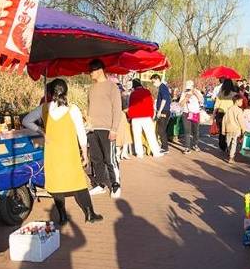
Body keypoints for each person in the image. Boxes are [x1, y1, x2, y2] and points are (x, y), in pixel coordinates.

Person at [22, 79, 103, 224]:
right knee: (78, 182)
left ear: (50, 93)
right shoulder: (72, 109)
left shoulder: (44, 108)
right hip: (69, 152)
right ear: (66, 92)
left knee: (56, 184)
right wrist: (85, 154)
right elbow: (81, 134)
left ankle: (62, 217)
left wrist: (41, 130)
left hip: (52, 153)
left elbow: (26, 121)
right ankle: (90, 214)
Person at [86, 59, 123, 198]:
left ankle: (115, 185)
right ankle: (100, 184)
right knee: (96, 159)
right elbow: (88, 107)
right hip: (92, 129)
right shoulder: (91, 88)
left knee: (110, 159)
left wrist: (114, 129)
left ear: (100, 70)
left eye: (92, 70)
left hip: (107, 128)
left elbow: (117, 109)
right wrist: (87, 123)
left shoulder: (112, 87)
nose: (90, 73)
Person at [127, 79, 163, 158]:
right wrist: (151, 115)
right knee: (151, 135)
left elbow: (130, 106)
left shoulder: (133, 94)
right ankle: (156, 152)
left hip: (135, 118)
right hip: (146, 117)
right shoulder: (147, 92)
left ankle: (139, 153)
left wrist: (130, 116)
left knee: (137, 136)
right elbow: (151, 103)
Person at [213, 78, 237, 151]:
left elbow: (216, 105)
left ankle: (222, 145)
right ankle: (228, 145)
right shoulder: (234, 94)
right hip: (230, 115)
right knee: (229, 131)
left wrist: (213, 115)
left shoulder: (220, 94)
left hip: (220, 114)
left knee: (221, 130)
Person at [179, 80, 203, 153]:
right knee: (187, 131)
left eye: (190, 88)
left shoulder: (197, 92)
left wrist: (195, 93)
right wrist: (186, 98)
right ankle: (187, 147)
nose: (188, 90)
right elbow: (180, 104)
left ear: (193, 86)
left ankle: (195, 145)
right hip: (186, 113)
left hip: (195, 113)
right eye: (187, 88)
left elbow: (201, 101)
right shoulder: (184, 93)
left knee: (195, 131)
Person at [222, 93, 246, 164]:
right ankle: (231, 157)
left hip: (228, 129)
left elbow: (224, 120)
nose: (242, 103)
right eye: (241, 101)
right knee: (234, 143)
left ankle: (230, 154)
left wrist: (223, 130)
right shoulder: (239, 110)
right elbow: (241, 121)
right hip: (236, 129)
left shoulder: (228, 109)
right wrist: (243, 130)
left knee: (228, 143)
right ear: (237, 101)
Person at [152, 74, 172, 153]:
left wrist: (159, 111)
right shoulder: (161, 87)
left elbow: (164, 99)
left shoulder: (163, 87)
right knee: (161, 129)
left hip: (164, 111)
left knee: (161, 130)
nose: (153, 84)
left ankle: (165, 147)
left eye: (153, 82)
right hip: (163, 111)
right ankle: (164, 146)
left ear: (157, 79)